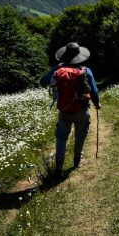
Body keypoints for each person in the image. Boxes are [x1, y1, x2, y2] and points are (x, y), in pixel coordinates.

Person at [40, 42, 101, 178]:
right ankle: (77, 160)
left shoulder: (58, 70)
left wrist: (56, 68)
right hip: (82, 110)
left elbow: (42, 81)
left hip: (64, 111)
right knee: (80, 134)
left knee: (61, 137)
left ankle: (59, 166)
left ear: (65, 55)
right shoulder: (85, 70)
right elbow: (94, 91)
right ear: (79, 56)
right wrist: (97, 103)